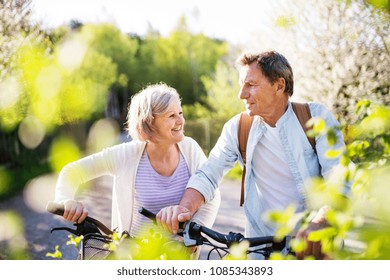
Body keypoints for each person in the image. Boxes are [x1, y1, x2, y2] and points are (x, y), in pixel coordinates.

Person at [156, 51, 351, 260]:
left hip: (314, 247)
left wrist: (322, 221)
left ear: (279, 85)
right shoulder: (238, 127)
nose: (241, 94)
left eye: (250, 85)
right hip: (260, 250)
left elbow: (338, 174)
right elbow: (208, 173)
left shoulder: (315, 118)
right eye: (241, 85)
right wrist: (184, 209)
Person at [53, 82, 221, 259]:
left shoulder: (190, 149)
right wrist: (64, 200)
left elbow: (211, 194)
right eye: (171, 115)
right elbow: (72, 172)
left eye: (180, 113)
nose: (180, 121)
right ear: (149, 122)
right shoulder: (125, 154)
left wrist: (193, 236)